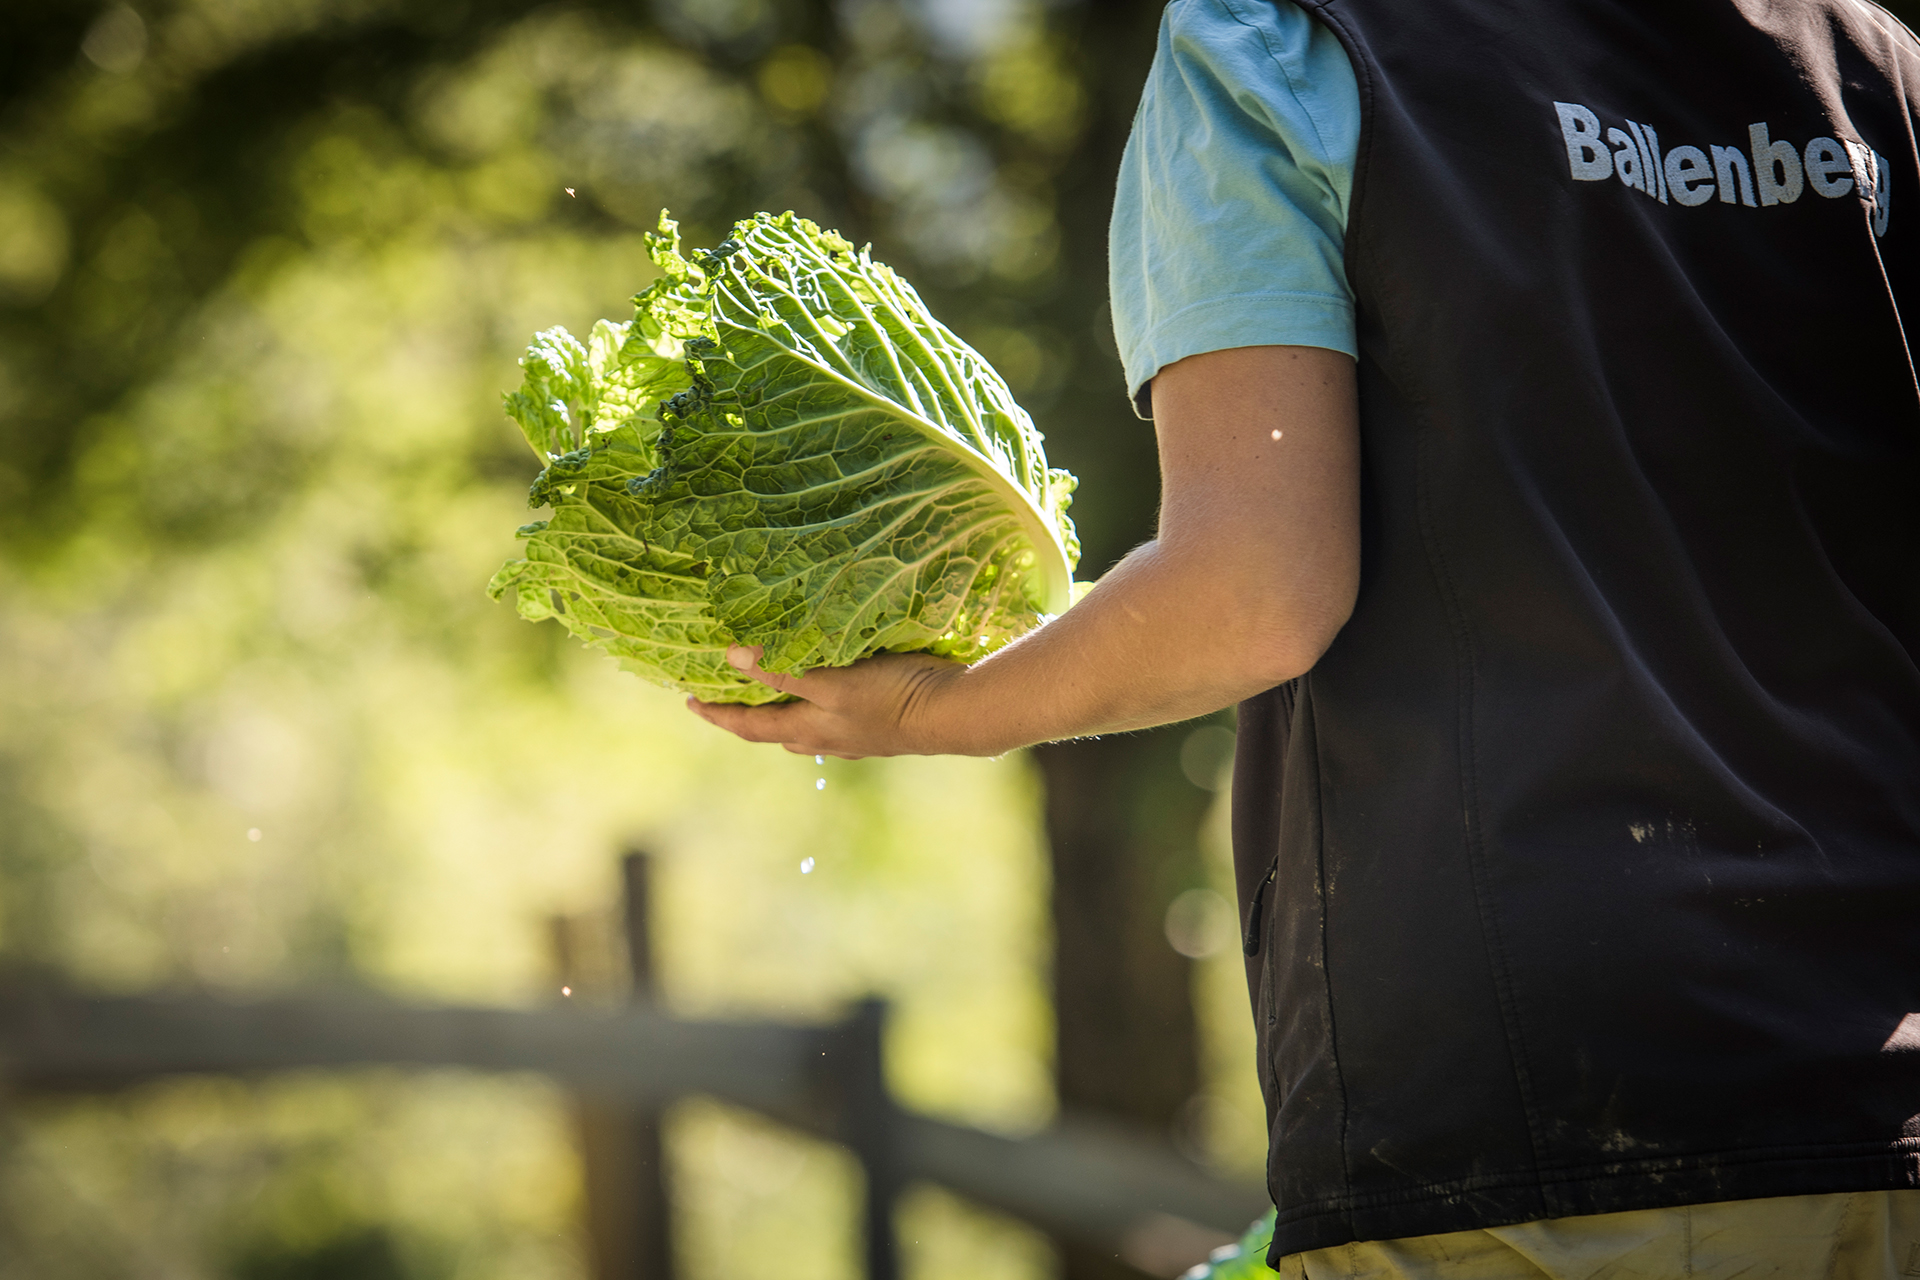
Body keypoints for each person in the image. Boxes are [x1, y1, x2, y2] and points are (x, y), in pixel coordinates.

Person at [693, 0, 1920, 1274]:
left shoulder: (1280, 41)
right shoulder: (1872, 67)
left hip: (1525, 1135)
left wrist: (927, 709)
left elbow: (1255, 590)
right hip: (1886, 1098)